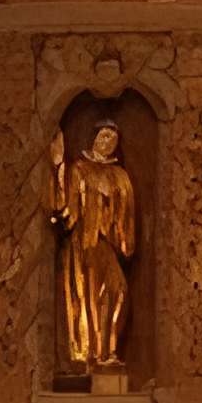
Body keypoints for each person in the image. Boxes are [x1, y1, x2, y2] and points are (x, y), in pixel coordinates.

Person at [49, 120, 136, 370]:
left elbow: (126, 217)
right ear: (94, 137)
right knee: (86, 294)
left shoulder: (120, 175)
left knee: (116, 290)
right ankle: (90, 354)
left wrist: (122, 239)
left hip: (107, 242)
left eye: (112, 138)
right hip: (84, 242)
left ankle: (107, 350)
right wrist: (58, 168)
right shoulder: (79, 169)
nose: (106, 141)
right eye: (103, 135)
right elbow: (68, 207)